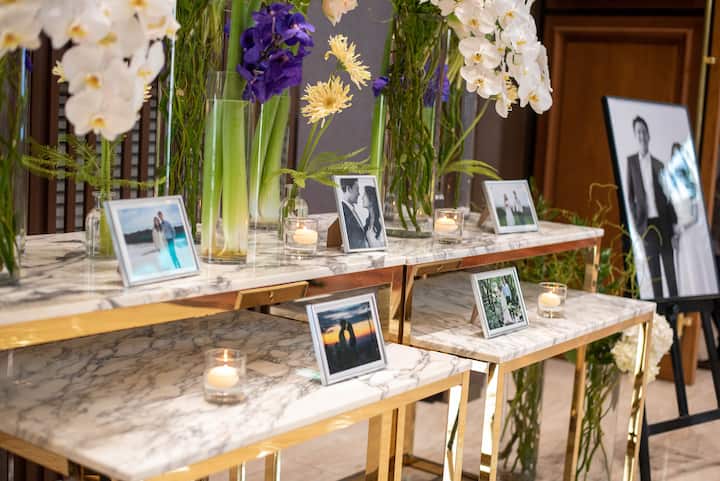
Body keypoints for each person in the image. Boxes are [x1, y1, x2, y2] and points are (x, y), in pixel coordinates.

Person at [626, 116, 678, 299]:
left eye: (644, 131)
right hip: (646, 227)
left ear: (648, 135)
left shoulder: (659, 164)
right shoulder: (631, 162)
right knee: (655, 277)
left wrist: (674, 227)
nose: (641, 135)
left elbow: (668, 198)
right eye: (638, 132)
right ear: (636, 135)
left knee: (671, 274)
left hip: (664, 224)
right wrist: (637, 225)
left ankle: (675, 312)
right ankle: (659, 314)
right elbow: (630, 197)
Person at [340, 178, 369, 249]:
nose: (359, 194)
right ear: (349, 189)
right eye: (357, 189)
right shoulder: (343, 212)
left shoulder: (351, 209)